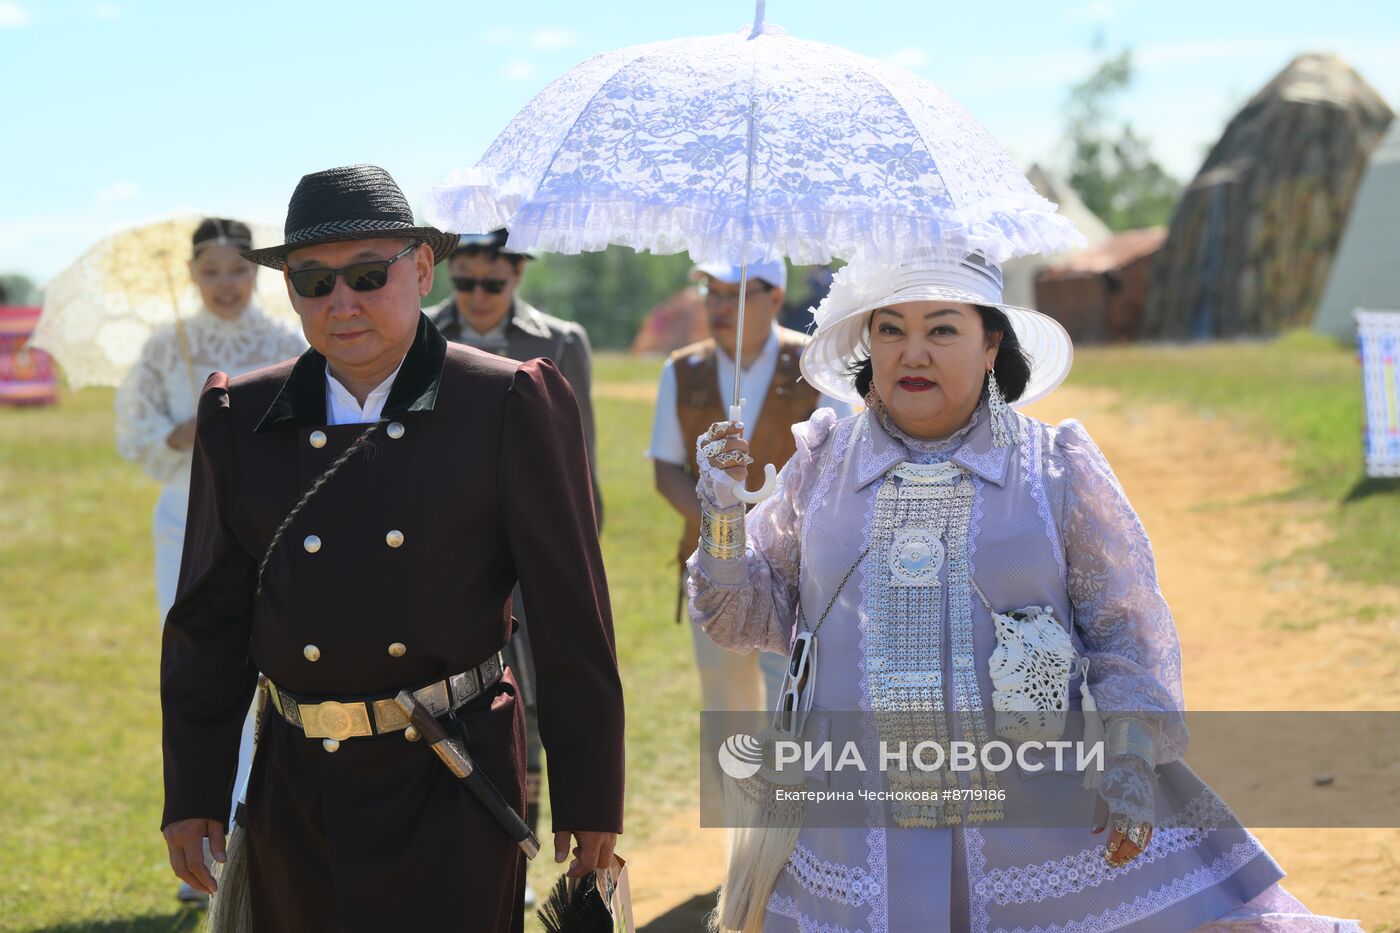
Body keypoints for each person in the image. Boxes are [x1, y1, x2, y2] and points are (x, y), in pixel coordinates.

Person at [688, 253, 1361, 932]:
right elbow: (747, 616)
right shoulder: (822, 463)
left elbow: (1123, 632)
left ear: (991, 345)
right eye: (890, 329)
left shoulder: (1055, 468)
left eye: (942, 330)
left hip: (1038, 837)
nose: (912, 352)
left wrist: (1128, 758)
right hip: (852, 836)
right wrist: (722, 515)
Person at [159, 165, 624, 932]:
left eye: (369, 275)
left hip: (452, 775)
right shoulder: (239, 417)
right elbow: (208, 621)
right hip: (296, 785)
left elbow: (572, 614)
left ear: (421, 268)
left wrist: (590, 793)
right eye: (313, 282)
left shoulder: (508, 401)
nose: (342, 302)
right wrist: (195, 790)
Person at [114, 217, 306, 904]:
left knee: (275, 667)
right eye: (212, 271)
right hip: (183, 521)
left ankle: (274, 834)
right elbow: (130, 432)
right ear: (192, 276)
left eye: (238, 270)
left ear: (258, 274)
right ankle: (206, 843)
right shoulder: (168, 345)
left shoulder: (286, 342)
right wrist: (181, 430)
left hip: (268, 522)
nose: (226, 285)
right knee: (202, 668)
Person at [430, 228, 602, 907]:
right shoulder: (419, 334)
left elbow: (578, 462)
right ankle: (460, 854)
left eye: (491, 284)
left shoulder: (561, 342)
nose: (475, 297)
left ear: (519, 273)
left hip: (534, 561)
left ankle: (526, 855)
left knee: (530, 711)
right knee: (455, 711)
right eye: (463, 281)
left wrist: (569, 556)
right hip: (449, 562)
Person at [648, 259, 850, 720]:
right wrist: (724, 532)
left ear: (775, 297)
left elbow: (837, 467)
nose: (720, 306)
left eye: (734, 294)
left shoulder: (816, 366)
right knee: (726, 710)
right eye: (711, 293)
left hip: (803, 571)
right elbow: (665, 470)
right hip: (714, 570)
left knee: (796, 705)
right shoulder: (682, 369)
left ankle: (790, 796)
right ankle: (726, 796)